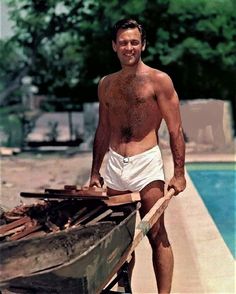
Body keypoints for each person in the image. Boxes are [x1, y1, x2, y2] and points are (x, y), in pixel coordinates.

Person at [89, 18, 186, 293]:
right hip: (115, 166)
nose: (128, 47)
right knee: (118, 238)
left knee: (157, 235)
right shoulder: (106, 84)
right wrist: (95, 172)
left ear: (142, 45)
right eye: (123, 42)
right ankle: (124, 289)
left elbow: (176, 129)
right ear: (114, 46)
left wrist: (179, 174)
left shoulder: (159, 81)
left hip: (146, 165)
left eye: (134, 42)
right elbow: (103, 129)